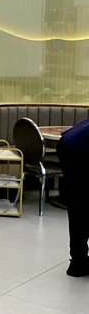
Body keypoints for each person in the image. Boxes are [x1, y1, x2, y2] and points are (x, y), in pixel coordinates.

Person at [57, 118, 89, 276]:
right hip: (75, 149)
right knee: (80, 205)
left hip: (70, 144)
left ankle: (78, 261)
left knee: (79, 206)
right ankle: (78, 263)